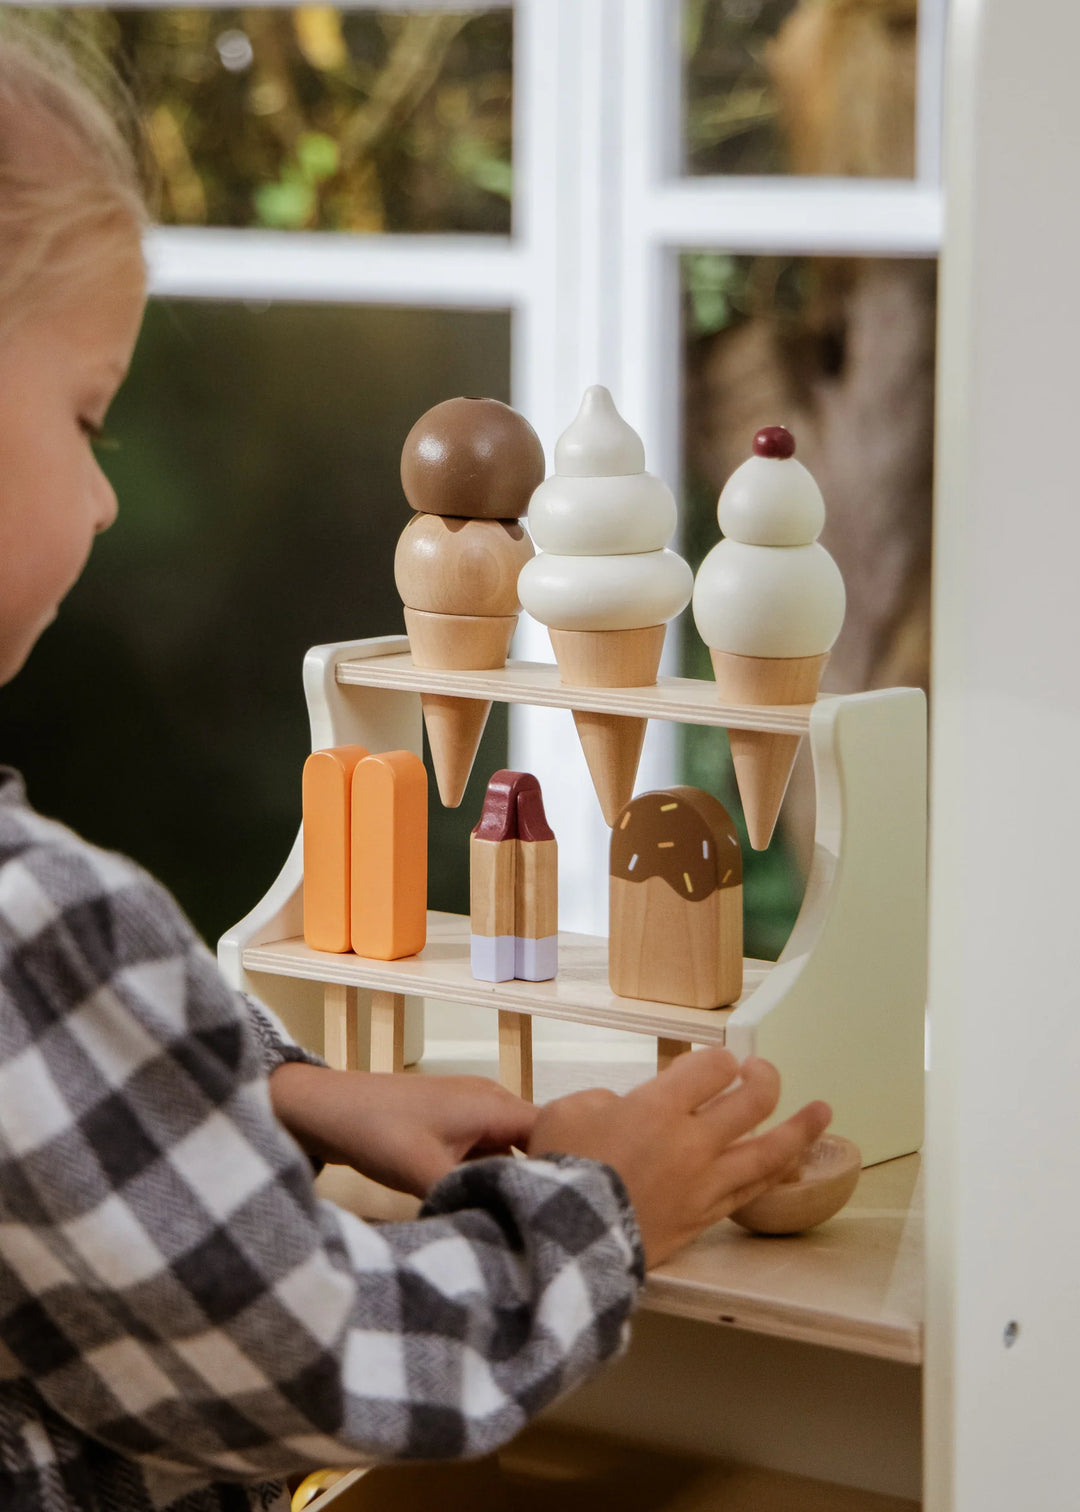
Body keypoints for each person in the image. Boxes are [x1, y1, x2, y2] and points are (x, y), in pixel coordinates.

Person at [0, 25, 831, 1512]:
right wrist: (603, 1204)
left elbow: (49, 1130)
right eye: (86, 415)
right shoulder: (31, 925)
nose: (113, 498)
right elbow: (337, 1361)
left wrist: (297, 1095)